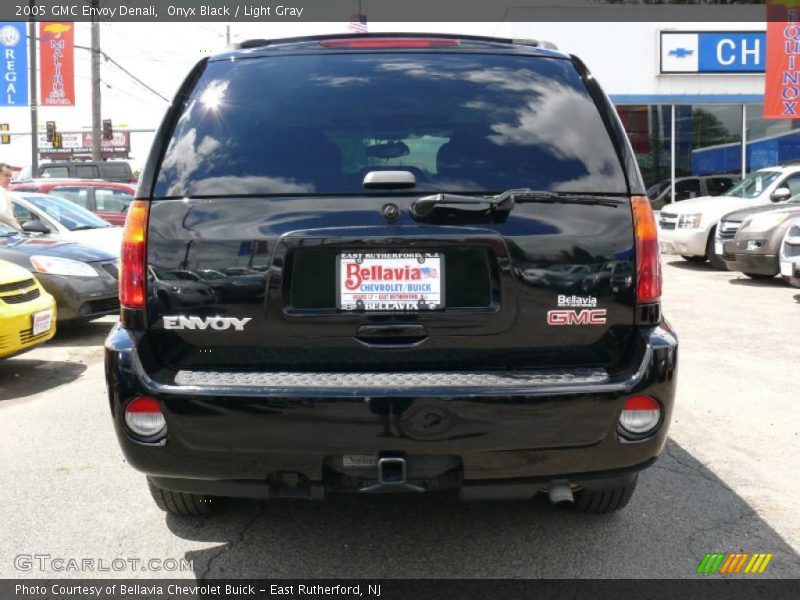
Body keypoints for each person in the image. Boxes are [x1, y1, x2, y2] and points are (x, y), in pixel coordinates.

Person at [0, 162, 21, 229]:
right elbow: (3, 214)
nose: (9, 178)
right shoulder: (1, 192)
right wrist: (17, 227)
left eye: (10, 176)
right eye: (6, 175)